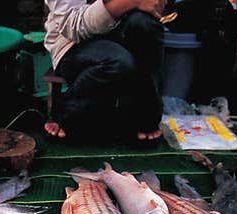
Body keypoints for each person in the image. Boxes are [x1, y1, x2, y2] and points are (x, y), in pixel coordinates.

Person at [43, 0, 166, 143]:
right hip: (71, 43)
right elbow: (73, 25)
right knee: (118, 62)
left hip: (121, 30)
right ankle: (67, 112)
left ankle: (144, 116)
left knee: (145, 24)